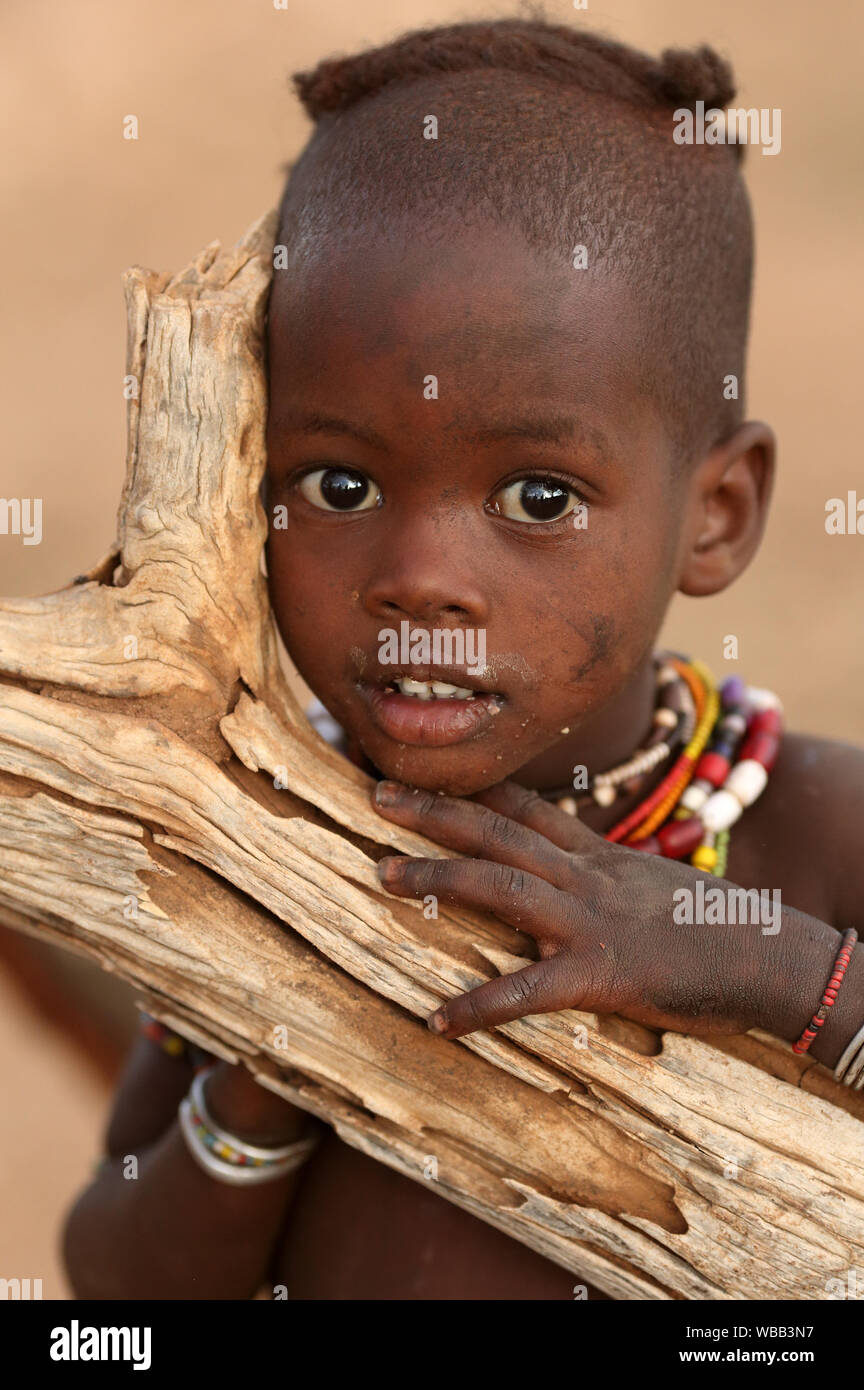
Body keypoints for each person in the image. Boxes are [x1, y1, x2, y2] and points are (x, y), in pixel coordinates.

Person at [63, 17, 864, 1301]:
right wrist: (274, 1056)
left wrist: (768, 967)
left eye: (539, 499)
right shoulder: (256, 836)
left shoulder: (814, 828)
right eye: (336, 482)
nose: (418, 576)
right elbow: (116, 1284)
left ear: (716, 514)